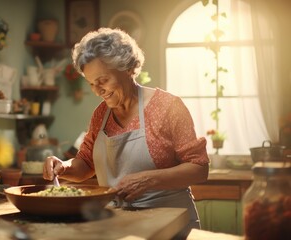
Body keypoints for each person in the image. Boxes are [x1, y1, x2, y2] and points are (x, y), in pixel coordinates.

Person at [43, 27, 209, 238]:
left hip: (170, 225)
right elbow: (85, 164)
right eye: (91, 83)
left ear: (127, 68)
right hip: (119, 226)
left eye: (103, 80)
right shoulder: (100, 115)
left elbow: (199, 168)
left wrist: (149, 179)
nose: (98, 90)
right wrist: (63, 167)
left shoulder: (168, 107)